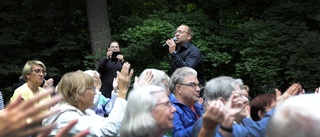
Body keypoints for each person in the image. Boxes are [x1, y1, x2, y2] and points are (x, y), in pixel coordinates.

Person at [43, 62, 133, 136]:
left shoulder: (85, 112)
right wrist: (122, 92)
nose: (96, 92)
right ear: (79, 92)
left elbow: (113, 125)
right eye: (93, 88)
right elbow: (109, 130)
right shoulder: (66, 117)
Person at [192, 77, 302, 137]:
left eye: (245, 96)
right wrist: (278, 109)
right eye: (240, 96)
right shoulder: (208, 124)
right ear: (222, 102)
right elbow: (253, 134)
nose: (246, 100)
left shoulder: (247, 122)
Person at [168, 67, 202, 136]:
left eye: (198, 85)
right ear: (178, 88)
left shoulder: (195, 103)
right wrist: (204, 124)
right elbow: (177, 135)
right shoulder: (170, 108)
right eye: (192, 85)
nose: (198, 89)